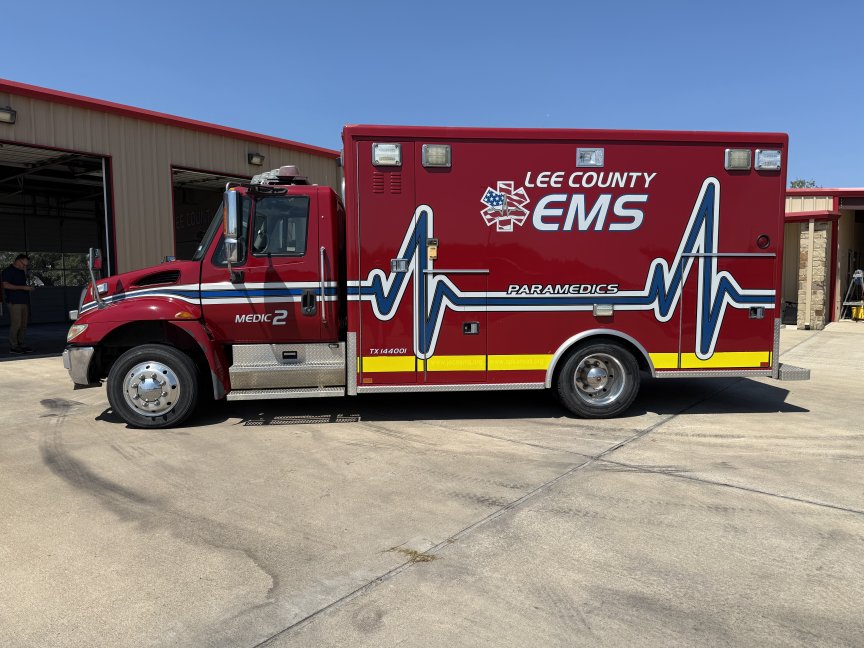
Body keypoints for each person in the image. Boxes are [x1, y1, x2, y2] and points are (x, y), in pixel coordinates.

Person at [2, 254, 35, 354]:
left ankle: (21, 343)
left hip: (23, 301)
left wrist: (27, 287)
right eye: (23, 264)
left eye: (26, 265)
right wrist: (23, 288)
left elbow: (21, 284)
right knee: (16, 324)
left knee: (23, 324)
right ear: (18, 261)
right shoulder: (8, 271)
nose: (24, 267)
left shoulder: (21, 271)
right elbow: (5, 285)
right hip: (14, 301)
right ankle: (13, 346)